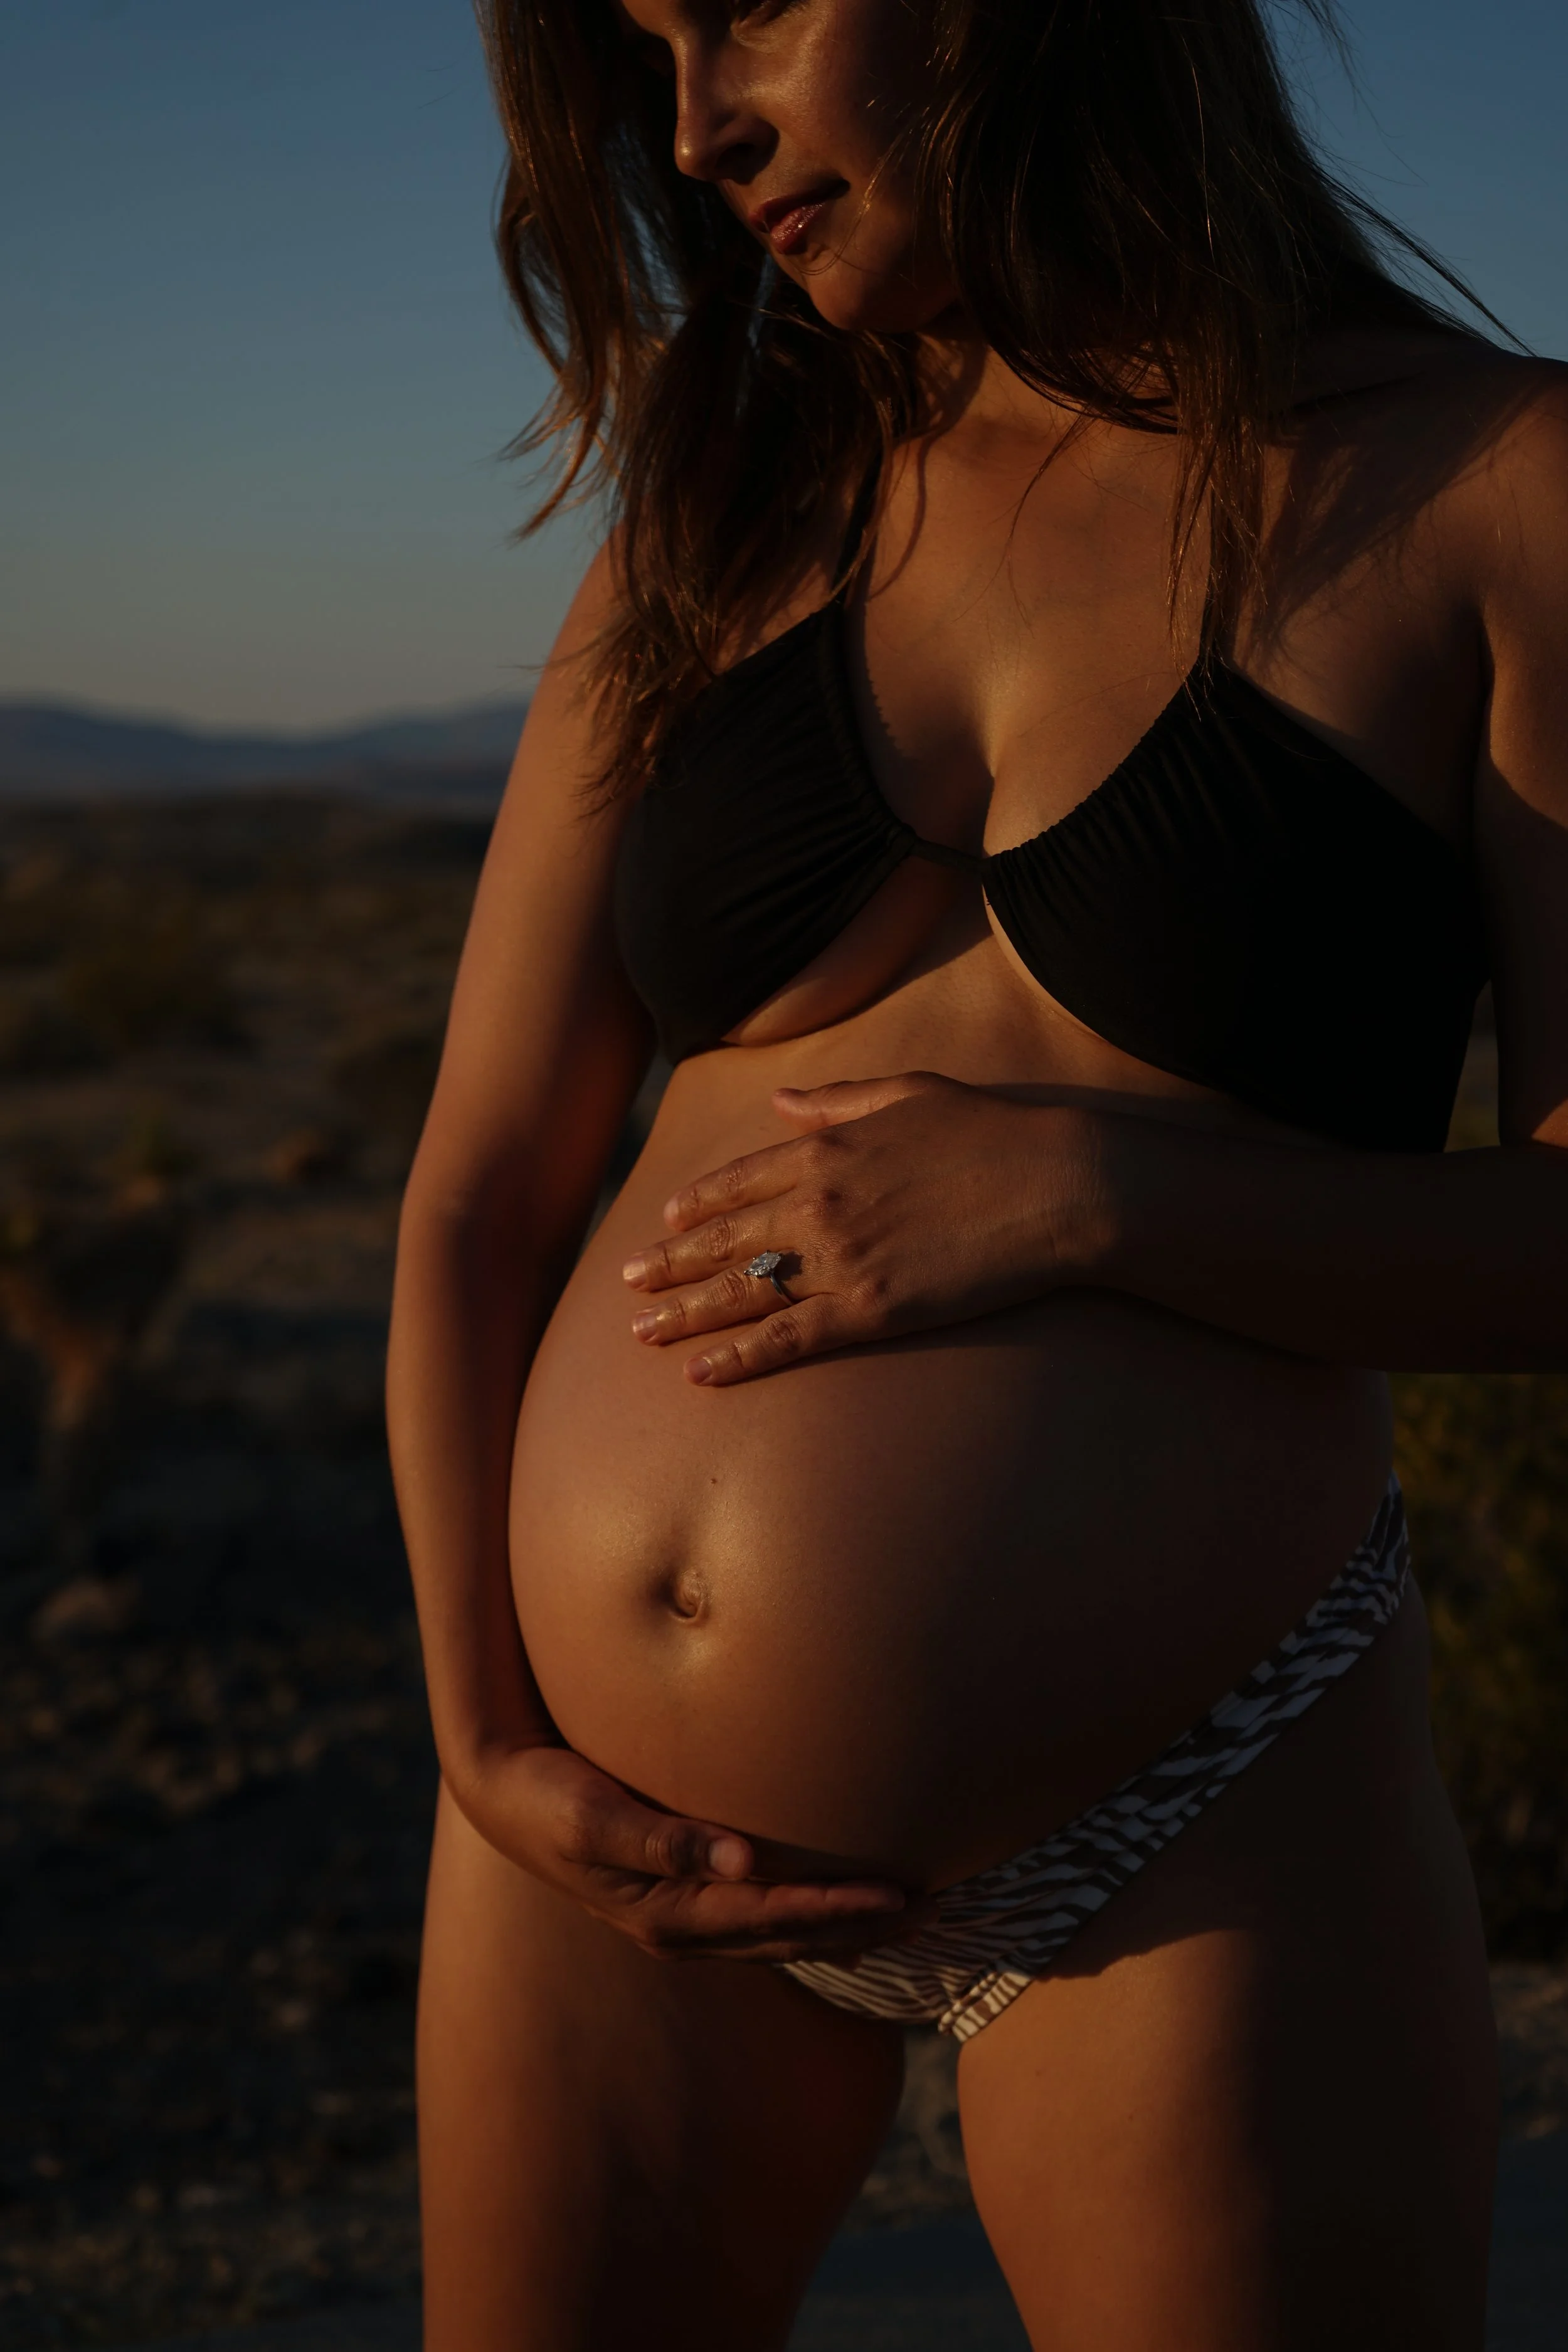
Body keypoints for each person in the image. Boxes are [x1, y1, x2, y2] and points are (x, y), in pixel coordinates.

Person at [386, 1, 1568, 2343]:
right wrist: (483, 1735)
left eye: (744, 11)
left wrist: (1082, 1200)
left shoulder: (1491, 484)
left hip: (1188, 1821)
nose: (703, 123)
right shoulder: (717, 528)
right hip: (593, 1836)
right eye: (644, 60)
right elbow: (469, 1199)